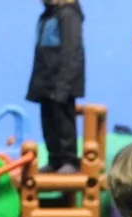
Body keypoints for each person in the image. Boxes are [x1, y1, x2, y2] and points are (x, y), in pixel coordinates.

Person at [27, 0, 86, 174]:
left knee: (64, 122)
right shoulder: (47, 16)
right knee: (49, 122)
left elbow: (72, 52)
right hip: (46, 82)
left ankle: (69, 159)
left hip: (61, 82)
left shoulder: (68, 15)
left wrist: (64, 84)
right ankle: (55, 159)